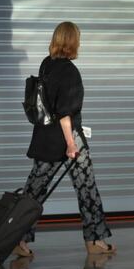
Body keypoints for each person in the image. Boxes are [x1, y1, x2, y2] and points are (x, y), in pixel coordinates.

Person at [13, 21, 116, 256]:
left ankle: (17, 239)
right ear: (73, 41)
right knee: (87, 189)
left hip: (44, 138)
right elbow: (65, 113)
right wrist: (71, 144)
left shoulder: (46, 64)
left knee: (34, 191)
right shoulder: (69, 71)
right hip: (67, 138)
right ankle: (95, 241)